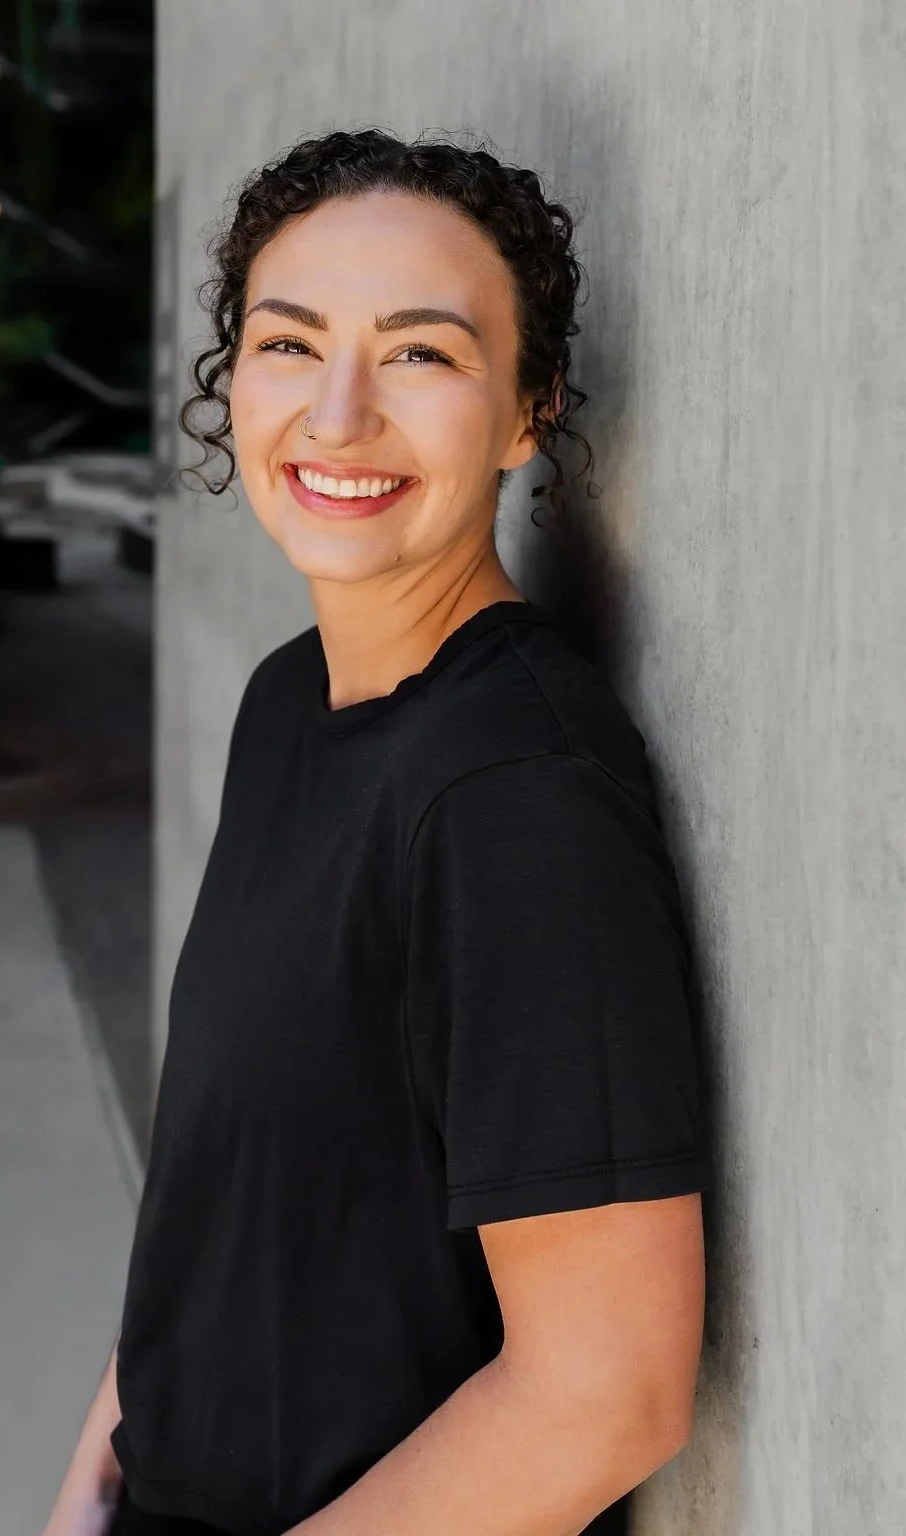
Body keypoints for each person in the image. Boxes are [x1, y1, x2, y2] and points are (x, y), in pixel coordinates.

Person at [41, 126, 708, 1536]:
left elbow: (607, 1391)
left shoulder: (514, 790)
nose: (338, 417)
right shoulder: (293, 701)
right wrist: (92, 1474)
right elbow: (224, 1190)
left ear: (531, 410)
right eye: (290, 345)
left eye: (421, 353)